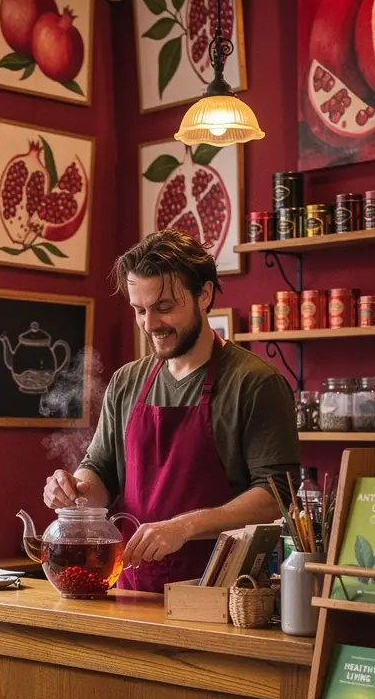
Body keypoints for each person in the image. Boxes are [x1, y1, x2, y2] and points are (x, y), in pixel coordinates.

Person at [42, 230, 300, 591]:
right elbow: (100, 472)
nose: (150, 324)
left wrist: (185, 526)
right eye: (139, 310)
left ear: (205, 294)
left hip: (220, 596)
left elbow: (277, 498)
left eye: (164, 307)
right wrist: (74, 490)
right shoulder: (126, 381)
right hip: (130, 588)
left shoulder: (255, 382)